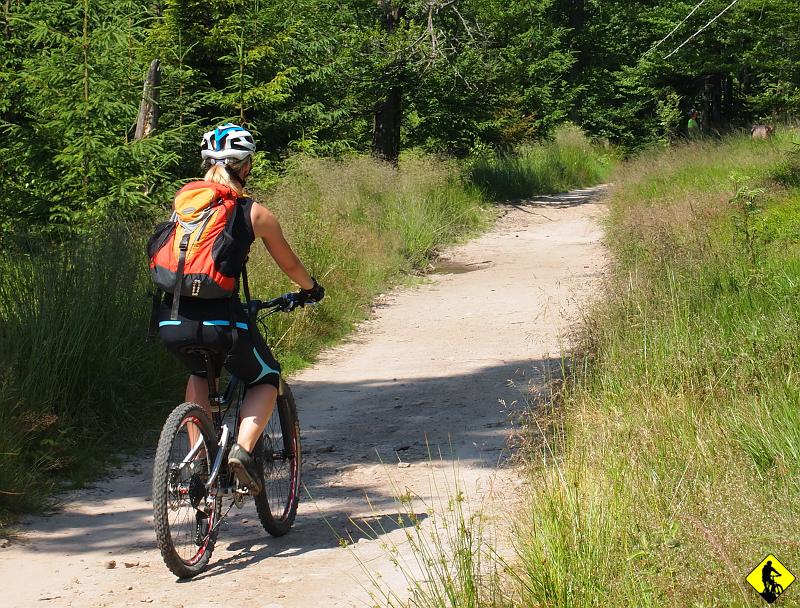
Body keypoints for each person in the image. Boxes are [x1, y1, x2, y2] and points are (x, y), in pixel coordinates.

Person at [157, 123, 324, 493]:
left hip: (171, 321)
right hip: (222, 323)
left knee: (200, 374)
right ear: (245, 166)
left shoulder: (180, 209)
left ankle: (198, 457)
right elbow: (291, 266)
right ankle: (241, 453)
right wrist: (311, 289)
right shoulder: (253, 212)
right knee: (266, 377)